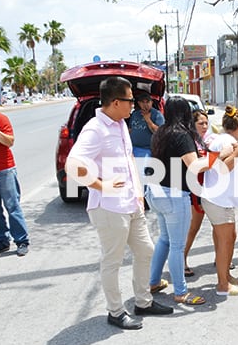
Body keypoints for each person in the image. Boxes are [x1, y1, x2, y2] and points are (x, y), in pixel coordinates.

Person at [66, 77, 173, 330]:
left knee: (145, 250)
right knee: (112, 260)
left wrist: (138, 194)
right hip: (109, 207)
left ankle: (143, 302)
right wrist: (100, 185)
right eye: (129, 101)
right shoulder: (95, 129)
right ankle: (115, 311)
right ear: (115, 102)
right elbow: (73, 164)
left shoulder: (120, 124)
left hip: (132, 203)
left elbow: (127, 162)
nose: (133, 106)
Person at [146, 96, 226, 306]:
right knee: (177, 246)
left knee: (164, 239)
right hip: (173, 195)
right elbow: (194, 166)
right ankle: (180, 292)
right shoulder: (181, 135)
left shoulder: (160, 132)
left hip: (154, 192)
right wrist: (216, 156)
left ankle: (153, 282)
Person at [202, 105, 238, 296]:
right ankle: (222, 284)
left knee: (228, 238)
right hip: (219, 200)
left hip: (219, 198)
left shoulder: (221, 139)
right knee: (225, 241)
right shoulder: (230, 144)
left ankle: (225, 275)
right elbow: (222, 168)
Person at [0, 88, 30, 257]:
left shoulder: (0, 118)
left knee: (13, 207)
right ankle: (2, 241)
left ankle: (22, 241)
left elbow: (10, 142)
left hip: (4, 170)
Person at [183, 110, 217, 277]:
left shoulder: (211, 140)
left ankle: (221, 258)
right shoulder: (188, 141)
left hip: (211, 189)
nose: (204, 126)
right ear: (193, 125)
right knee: (193, 227)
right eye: (200, 123)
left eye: (206, 123)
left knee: (217, 225)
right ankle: (181, 260)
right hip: (195, 190)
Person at [128, 89, 164, 159]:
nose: (145, 105)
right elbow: (130, 129)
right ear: (139, 103)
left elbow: (159, 133)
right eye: (142, 102)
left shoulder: (157, 115)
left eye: (147, 102)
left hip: (147, 150)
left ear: (151, 102)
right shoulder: (135, 114)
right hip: (132, 149)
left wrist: (148, 120)